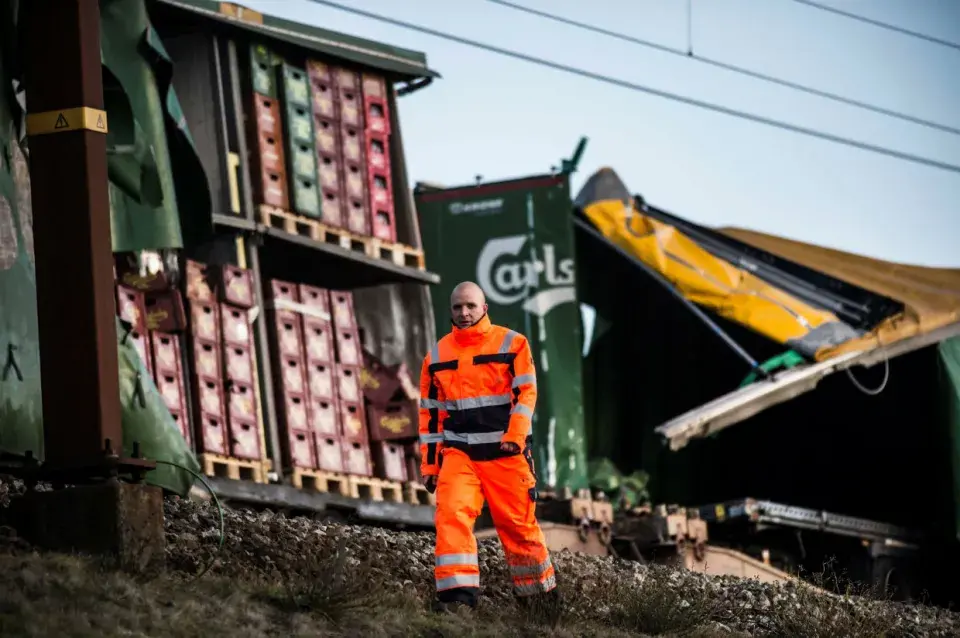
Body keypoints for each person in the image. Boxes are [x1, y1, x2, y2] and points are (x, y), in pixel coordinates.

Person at [418, 281, 560, 618]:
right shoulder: (436, 356)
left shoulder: (513, 343)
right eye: (457, 307)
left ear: (484, 308)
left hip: (505, 453)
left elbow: (526, 394)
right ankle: (456, 601)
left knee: (517, 527)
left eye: (470, 306)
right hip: (460, 454)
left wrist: (515, 435)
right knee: (451, 516)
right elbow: (431, 416)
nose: (464, 313)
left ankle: (540, 605)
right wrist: (431, 466)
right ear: (450, 310)